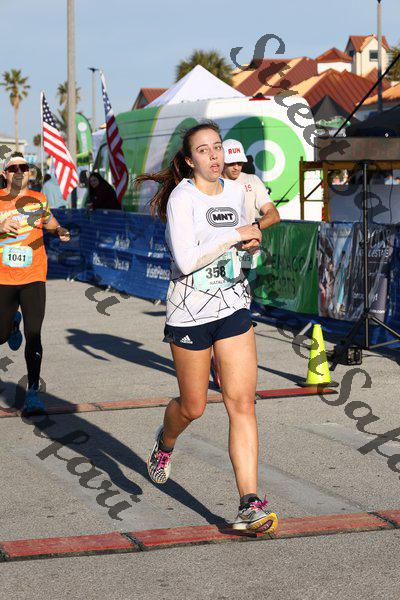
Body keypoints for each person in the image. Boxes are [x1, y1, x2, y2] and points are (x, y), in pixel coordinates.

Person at [136, 122, 278, 533]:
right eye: (203, 150)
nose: (214, 156)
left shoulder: (237, 191)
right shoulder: (182, 198)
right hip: (190, 311)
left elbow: (245, 243)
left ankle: (249, 502)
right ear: (188, 160)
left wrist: (250, 244)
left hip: (232, 304)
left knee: (242, 403)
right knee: (193, 406)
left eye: (217, 147)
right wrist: (234, 235)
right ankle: (165, 440)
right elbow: (185, 259)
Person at [0, 152, 70, 413]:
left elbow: (50, 222)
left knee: (34, 335)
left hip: (33, 277)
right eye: (13, 168)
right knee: (0, 336)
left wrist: (59, 230)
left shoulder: (39, 199)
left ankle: (32, 394)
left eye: (24, 167)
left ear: (29, 172)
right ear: (5, 174)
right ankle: (11, 326)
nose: (19, 171)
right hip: (3, 278)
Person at [209, 139, 280, 387]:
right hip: (218, 256)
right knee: (219, 310)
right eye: (231, 163)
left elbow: (274, 215)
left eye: (240, 162)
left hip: (247, 257)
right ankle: (218, 362)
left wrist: (254, 228)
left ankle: (231, 371)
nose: (236, 167)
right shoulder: (211, 184)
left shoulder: (251, 182)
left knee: (238, 313)